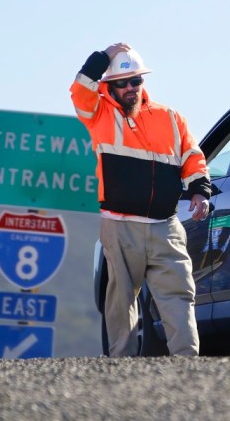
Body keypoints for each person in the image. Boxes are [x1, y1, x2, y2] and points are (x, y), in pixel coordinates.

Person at [71, 42, 212, 357]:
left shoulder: (170, 118)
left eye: (137, 81)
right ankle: (121, 367)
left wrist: (201, 191)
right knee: (121, 300)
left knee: (178, 295)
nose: (132, 88)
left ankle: (187, 363)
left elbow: (192, 157)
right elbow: (80, 90)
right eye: (123, 82)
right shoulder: (98, 114)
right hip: (120, 226)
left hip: (165, 226)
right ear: (109, 86)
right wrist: (104, 56)